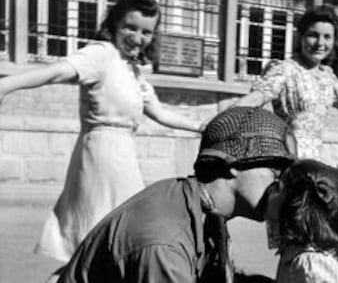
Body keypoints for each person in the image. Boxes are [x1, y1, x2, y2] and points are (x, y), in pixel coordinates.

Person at [0, 0, 203, 262]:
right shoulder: (102, 54)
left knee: (111, 244)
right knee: (101, 242)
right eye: (130, 27)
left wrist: (201, 127)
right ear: (115, 23)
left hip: (123, 158)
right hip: (99, 158)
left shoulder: (132, 70)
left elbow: (160, 112)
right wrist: (6, 85)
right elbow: (58, 71)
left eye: (146, 32)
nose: (138, 38)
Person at [55, 106, 297, 283]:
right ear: (235, 163)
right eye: (277, 172)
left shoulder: (194, 203)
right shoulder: (165, 246)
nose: (283, 187)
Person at [234, 4, 338, 159]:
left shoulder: (328, 77)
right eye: (313, 35)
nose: (320, 43)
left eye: (327, 37)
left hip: (317, 160)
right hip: (288, 158)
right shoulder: (285, 70)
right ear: (301, 37)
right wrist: (223, 119)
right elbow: (256, 97)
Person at [264, 159, 338, 283]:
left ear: (296, 205)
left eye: (278, 188)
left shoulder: (313, 265)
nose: (269, 193)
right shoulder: (297, 253)